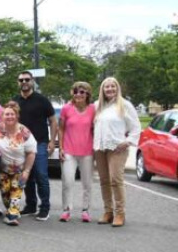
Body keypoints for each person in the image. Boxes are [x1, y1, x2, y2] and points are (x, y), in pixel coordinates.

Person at [93, 77, 140, 227]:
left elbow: (136, 127)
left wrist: (128, 141)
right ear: (102, 89)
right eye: (107, 87)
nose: (110, 89)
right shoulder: (97, 106)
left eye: (113, 86)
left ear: (117, 88)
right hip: (100, 147)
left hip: (117, 148)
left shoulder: (125, 105)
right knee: (104, 180)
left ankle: (120, 213)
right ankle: (108, 211)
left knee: (116, 179)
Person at [13, 71, 57, 221]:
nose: (24, 82)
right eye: (21, 80)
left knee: (41, 175)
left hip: (40, 144)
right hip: (21, 145)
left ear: (32, 81)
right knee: (27, 176)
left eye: (27, 79)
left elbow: (53, 121)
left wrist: (52, 141)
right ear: (18, 82)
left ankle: (44, 208)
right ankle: (30, 205)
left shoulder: (42, 100)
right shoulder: (15, 101)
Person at [0, 102, 37, 226]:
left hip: (19, 170)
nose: (9, 116)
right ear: (2, 116)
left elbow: (31, 152)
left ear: (17, 116)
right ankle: (12, 210)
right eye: (7, 114)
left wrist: (27, 171)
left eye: (12, 114)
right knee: (5, 194)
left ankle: (11, 216)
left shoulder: (24, 131)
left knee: (16, 191)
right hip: (1, 169)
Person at [58, 82, 96, 223]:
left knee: (87, 183)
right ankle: (66, 210)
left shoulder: (93, 109)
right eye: (75, 92)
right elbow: (61, 129)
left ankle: (85, 210)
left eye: (81, 92)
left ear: (87, 94)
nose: (78, 94)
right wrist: (61, 148)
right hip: (69, 151)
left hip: (87, 152)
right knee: (67, 181)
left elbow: (95, 129)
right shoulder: (66, 109)